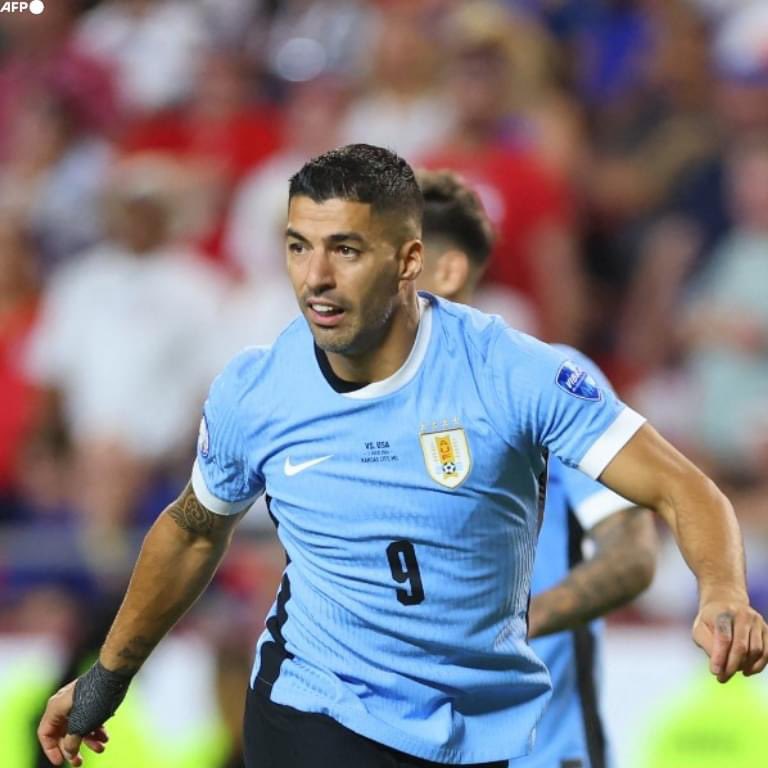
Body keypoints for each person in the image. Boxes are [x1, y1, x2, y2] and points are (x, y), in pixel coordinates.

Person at [38, 145, 768, 768]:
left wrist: (723, 593)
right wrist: (107, 678)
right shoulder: (255, 391)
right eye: (298, 246)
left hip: (479, 728)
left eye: (346, 250)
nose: (315, 277)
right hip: (316, 705)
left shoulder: (509, 374)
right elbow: (194, 531)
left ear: (409, 259)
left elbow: (680, 487)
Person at [414, 169, 658, 767]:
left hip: (545, 750)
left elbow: (631, 555)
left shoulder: (551, 382)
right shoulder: (358, 409)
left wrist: (509, 630)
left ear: (446, 271)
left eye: (393, 260)